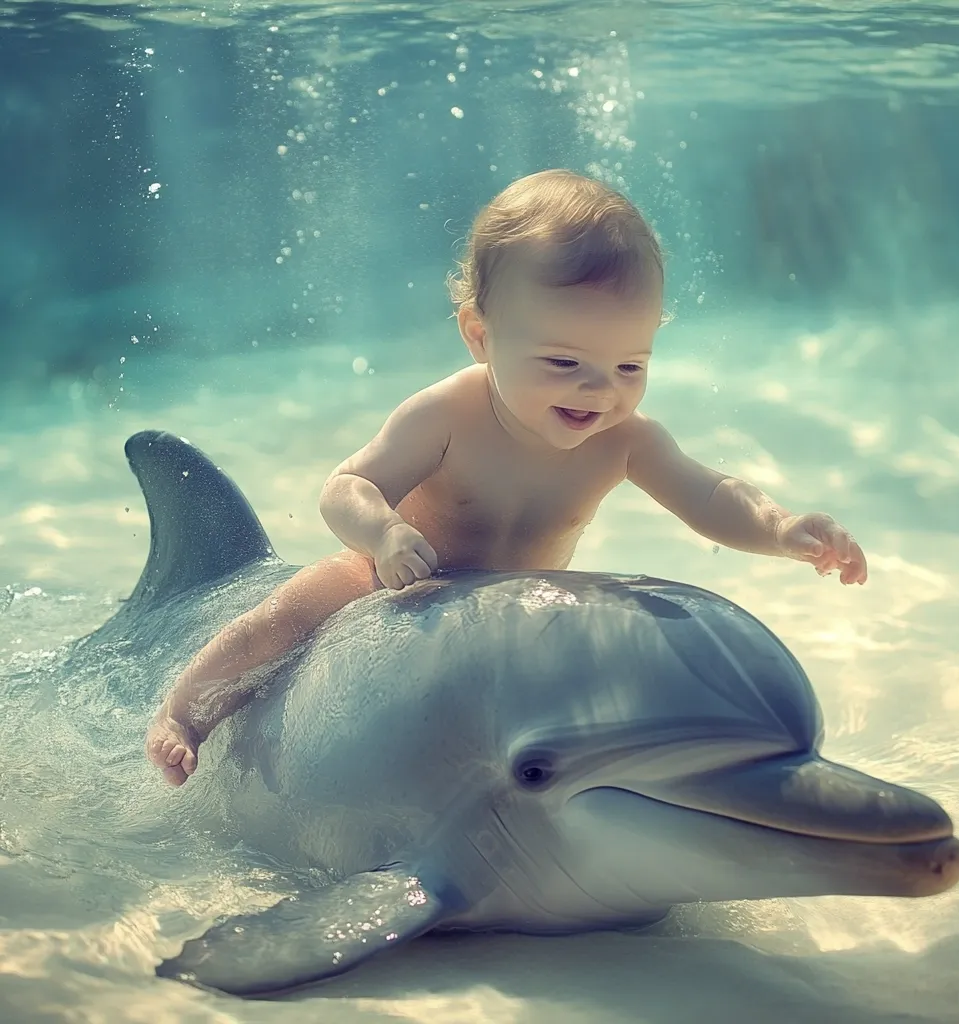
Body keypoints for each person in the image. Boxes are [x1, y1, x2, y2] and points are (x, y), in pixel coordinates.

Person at [145, 169, 867, 786]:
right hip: (394, 581)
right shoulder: (448, 413)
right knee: (285, 616)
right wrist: (385, 534)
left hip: (511, 616)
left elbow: (708, 494)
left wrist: (781, 529)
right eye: (564, 363)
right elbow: (345, 488)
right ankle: (185, 712)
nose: (599, 390)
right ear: (481, 336)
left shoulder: (624, 440)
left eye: (630, 366)